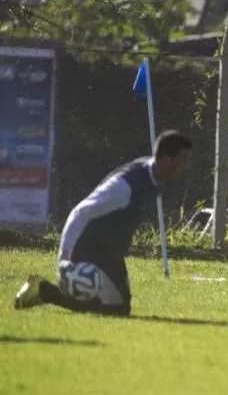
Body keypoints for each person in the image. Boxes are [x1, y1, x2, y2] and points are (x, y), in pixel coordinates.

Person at [14, 130, 193, 316]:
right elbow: (81, 212)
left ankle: (44, 291)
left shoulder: (155, 176)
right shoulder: (126, 187)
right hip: (87, 248)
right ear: (165, 158)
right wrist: (65, 255)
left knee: (120, 308)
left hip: (109, 250)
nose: (186, 167)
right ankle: (44, 291)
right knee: (112, 309)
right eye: (183, 160)